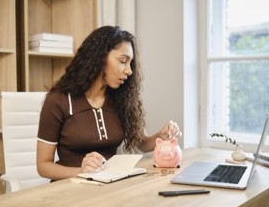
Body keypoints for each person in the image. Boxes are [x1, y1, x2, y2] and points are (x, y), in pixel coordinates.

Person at [36, 25, 181, 181]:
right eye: (123, 61)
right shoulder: (59, 100)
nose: (129, 71)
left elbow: (143, 143)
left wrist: (161, 136)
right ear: (99, 57)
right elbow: (43, 166)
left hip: (110, 185)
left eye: (130, 63)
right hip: (69, 189)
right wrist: (81, 171)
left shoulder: (121, 98)